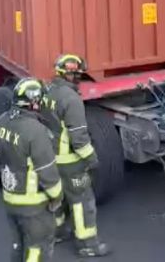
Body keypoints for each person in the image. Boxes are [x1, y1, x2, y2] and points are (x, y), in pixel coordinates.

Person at [40, 54, 110, 258]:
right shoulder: (71, 99)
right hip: (69, 162)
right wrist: (92, 159)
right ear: (72, 75)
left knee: (56, 198)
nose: (80, 78)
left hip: (49, 158)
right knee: (82, 202)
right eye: (78, 74)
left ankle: (57, 233)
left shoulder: (47, 90)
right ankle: (87, 244)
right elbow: (78, 137)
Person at [0, 78, 64, 262]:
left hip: (10, 199)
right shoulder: (36, 132)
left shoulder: (1, 121)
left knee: (18, 245)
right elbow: (47, 172)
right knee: (37, 248)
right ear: (33, 102)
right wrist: (57, 198)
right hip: (33, 206)